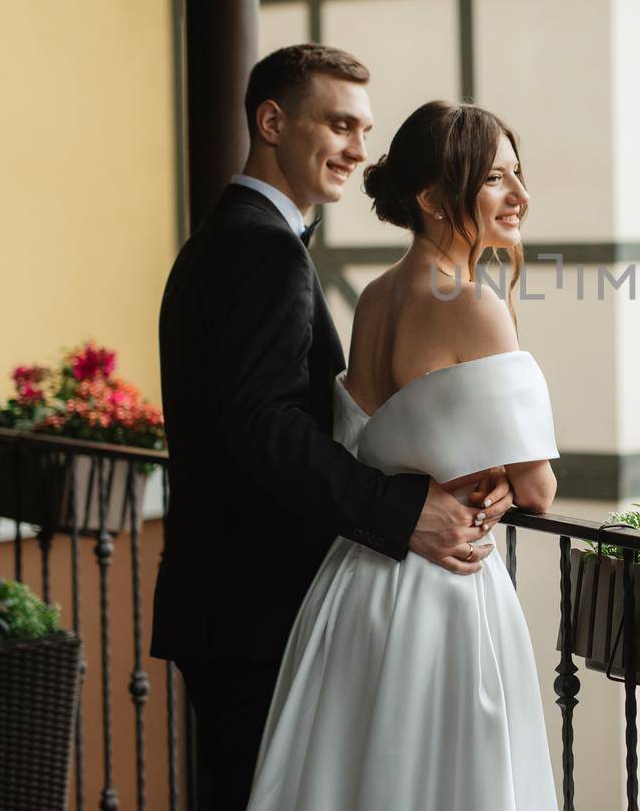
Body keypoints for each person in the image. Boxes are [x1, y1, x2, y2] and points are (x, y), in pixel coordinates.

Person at [150, 47, 511, 811]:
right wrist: (403, 513)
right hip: (257, 608)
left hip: (227, 602)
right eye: (338, 124)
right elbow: (262, 427)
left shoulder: (224, 236)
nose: (356, 147)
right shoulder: (260, 249)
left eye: (364, 129)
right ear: (272, 121)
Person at [246, 99, 560, 811]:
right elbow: (539, 489)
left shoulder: (378, 297)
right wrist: (508, 473)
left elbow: (387, 437)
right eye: (495, 179)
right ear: (432, 198)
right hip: (439, 589)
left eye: (518, 175)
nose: (520, 196)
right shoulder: (475, 305)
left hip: (353, 585)